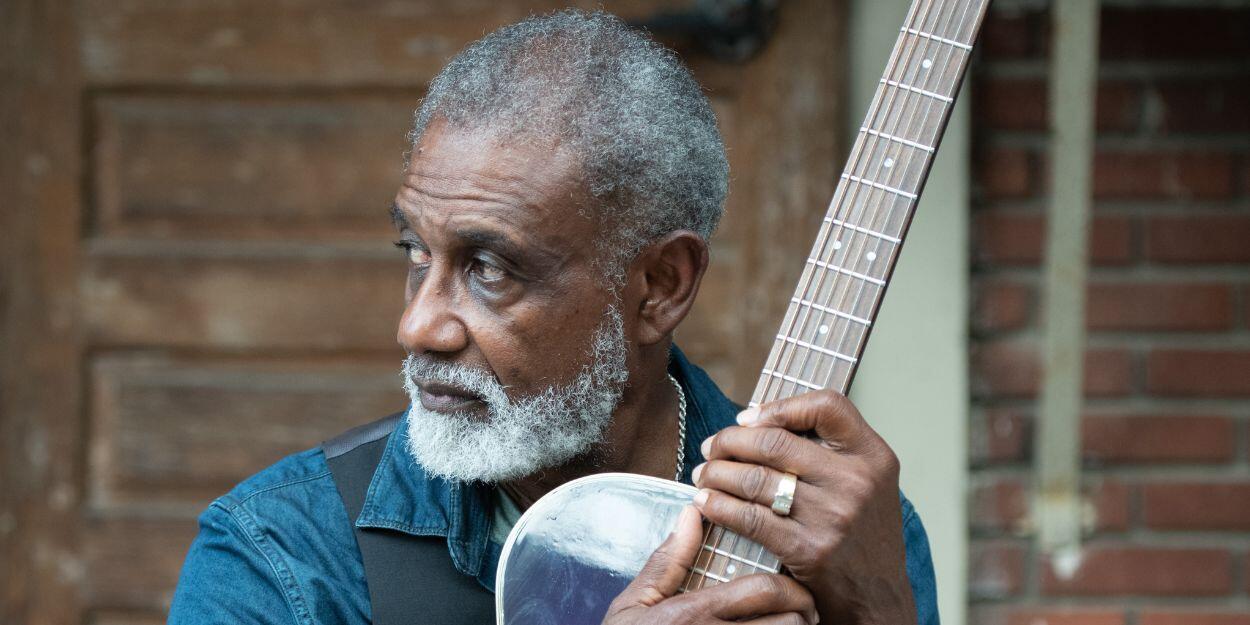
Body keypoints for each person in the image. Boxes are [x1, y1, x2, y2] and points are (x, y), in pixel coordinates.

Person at [168, 9, 938, 625]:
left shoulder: (835, 524)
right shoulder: (282, 552)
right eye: (416, 252)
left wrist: (877, 606)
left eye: (491, 267)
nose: (420, 327)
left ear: (660, 285)